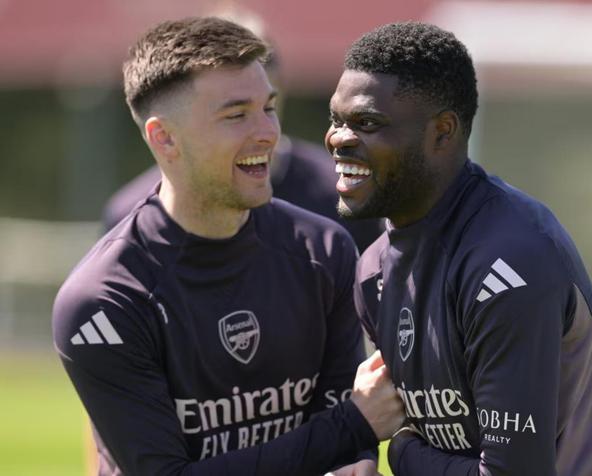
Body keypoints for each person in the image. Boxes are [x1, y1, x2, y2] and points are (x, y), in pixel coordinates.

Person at [53, 17, 404, 476]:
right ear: (164, 138)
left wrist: (354, 457)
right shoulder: (102, 301)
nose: (268, 133)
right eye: (237, 115)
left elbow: (341, 439)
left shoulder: (323, 249)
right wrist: (352, 426)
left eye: (268, 107)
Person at [326, 22, 592, 475]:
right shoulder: (373, 271)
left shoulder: (508, 260)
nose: (338, 139)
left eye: (367, 123)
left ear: (443, 132)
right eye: (336, 120)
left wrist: (401, 452)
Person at [102, 37, 382, 254]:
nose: (261, 129)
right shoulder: (129, 215)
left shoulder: (344, 194)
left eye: (266, 105)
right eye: (235, 113)